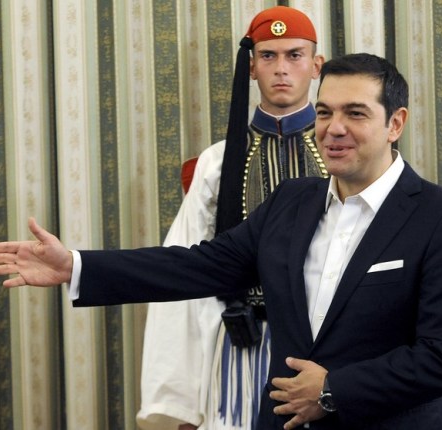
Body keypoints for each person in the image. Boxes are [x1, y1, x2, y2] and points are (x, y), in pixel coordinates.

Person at [0, 53, 442, 430]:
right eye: (325, 111)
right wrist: (75, 266)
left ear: (395, 122)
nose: (334, 129)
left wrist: (333, 389)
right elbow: (200, 266)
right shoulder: (293, 201)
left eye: (355, 113)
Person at [138, 6, 327, 430]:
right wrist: (184, 403)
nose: (281, 69)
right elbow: (186, 277)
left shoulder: (344, 155)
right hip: (244, 346)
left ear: (316, 66)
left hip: (332, 346)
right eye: (268, 56)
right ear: (252, 67)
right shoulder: (218, 164)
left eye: (294, 55)